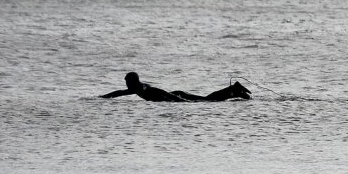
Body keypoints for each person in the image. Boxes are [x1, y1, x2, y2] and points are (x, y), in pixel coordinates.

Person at [100, 72, 251, 102]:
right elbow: (120, 93)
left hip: (175, 96)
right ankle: (234, 91)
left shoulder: (142, 89)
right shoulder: (137, 88)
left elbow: (161, 93)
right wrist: (104, 97)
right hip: (175, 95)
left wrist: (179, 101)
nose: (126, 85)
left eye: (127, 82)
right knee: (206, 99)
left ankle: (234, 90)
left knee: (206, 101)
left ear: (132, 82)